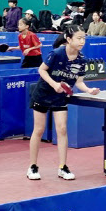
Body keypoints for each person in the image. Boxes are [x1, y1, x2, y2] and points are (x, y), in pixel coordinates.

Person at [27, 25, 100, 181]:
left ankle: (62, 167)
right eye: (79, 38)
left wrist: (89, 90)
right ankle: (32, 166)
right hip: (43, 93)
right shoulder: (57, 53)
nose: (82, 41)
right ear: (69, 39)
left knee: (62, 129)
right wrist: (54, 84)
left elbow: (79, 82)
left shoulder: (82, 60)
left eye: (84, 38)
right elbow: (41, 70)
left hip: (60, 97)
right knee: (39, 130)